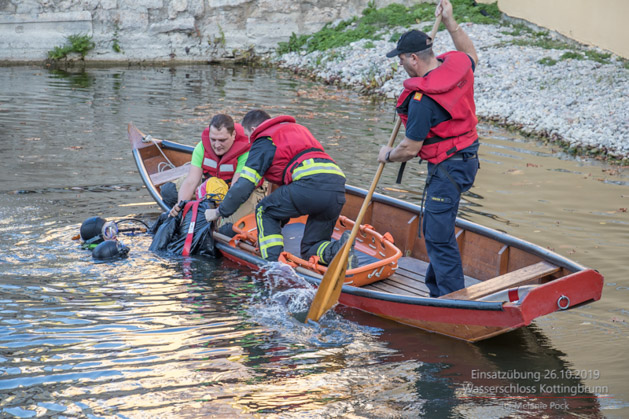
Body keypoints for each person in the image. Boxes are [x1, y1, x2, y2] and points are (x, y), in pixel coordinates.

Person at [379, 0, 480, 297]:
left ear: (413, 59)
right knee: (439, 229)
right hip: (467, 160)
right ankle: (437, 289)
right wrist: (451, 22)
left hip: (448, 168)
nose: (400, 65)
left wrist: (387, 155)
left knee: (437, 236)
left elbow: (410, 149)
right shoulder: (458, 68)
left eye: (400, 60)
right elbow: (470, 53)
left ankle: (452, 301)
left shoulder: (422, 100)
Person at [205, 110, 357, 266]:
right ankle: (339, 249)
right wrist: (273, 227)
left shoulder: (265, 139)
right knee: (311, 248)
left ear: (252, 130)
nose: (251, 143)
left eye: (249, 137)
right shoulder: (298, 130)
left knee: (264, 210)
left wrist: (220, 211)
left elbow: (245, 184)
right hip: (336, 186)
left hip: (309, 184)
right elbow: (285, 201)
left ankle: (273, 266)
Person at [169, 114, 266, 228]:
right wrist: (181, 208)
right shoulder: (201, 147)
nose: (217, 145)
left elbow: (236, 189)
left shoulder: (246, 151)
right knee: (169, 192)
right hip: (213, 184)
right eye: (213, 139)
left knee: (227, 228)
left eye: (222, 140)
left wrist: (217, 213)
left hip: (240, 191)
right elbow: (191, 181)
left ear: (233, 135)